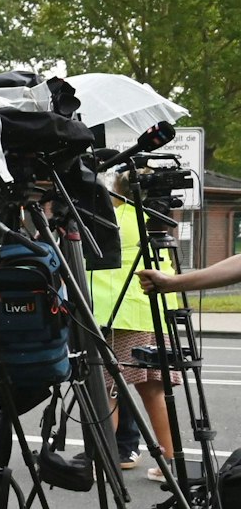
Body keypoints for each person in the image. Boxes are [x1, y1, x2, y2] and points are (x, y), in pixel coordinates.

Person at [91, 178, 175, 479]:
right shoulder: (156, 221)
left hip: (117, 313)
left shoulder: (112, 217)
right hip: (154, 312)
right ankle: (168, 463)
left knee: (108, 388)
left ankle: (105, 462)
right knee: (153, 390)